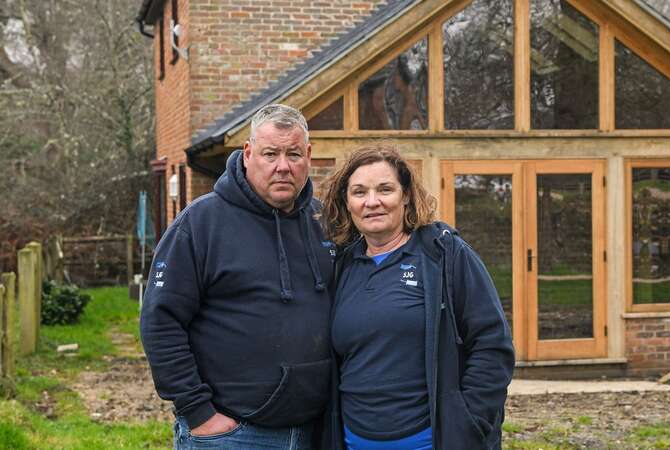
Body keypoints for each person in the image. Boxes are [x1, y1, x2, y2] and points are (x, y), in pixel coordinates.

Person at [140, 104, 334, 450]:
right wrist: (198, 412)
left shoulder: (325, 223)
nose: (282, 166)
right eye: (270, 153)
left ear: (308, 155)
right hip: (233, 433)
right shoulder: (201, 223)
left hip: (316, 431)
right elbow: (160, 321)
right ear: (247, 154)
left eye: (293, 154)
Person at [321, 146, 515, 450]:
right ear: (347, 202)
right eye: (359, 192)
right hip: (353, 440)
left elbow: (492, 345)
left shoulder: (444, 255)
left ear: (406, 195)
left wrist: (470, 422)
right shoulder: (341, 267)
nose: (372, 202)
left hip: (429, 441)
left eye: (385, 189)